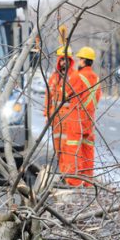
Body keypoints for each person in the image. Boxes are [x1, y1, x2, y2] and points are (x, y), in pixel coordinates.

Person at [43, 46, 82, 185]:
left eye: (66, 60)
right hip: (56, 118)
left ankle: (68, 175)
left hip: (68, 117)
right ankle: (62, 172)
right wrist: (47, 114)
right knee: (58, 148)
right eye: (61, 60)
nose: (63, 63)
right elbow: (48, 96)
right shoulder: (54, 77)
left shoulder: (74, 77)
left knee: (67, 148)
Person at [74, 46, 102, 184]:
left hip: (77, 118)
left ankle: (77, 180)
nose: (78, 61)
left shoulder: (78, 76)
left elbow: (69, 95)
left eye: (79, 59)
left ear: (84, 61)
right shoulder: (96, 78)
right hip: (90, 119)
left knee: (76, 149)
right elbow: (98, 97)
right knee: (88, 150)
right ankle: (87, 180)